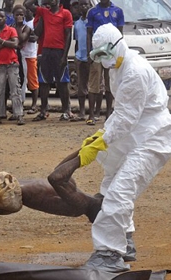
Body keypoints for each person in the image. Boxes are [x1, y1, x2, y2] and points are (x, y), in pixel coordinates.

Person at [77, 23, 171, 272]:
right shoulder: (116, 66)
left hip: (153, 136)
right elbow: (122, 112)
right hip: (136, 129)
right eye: (99, 57)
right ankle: (125, 239)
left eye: (105, 55)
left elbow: (127, 116)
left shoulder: (134, 71)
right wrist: (102, 135)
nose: (104, 61)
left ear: (119, 45)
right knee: (111, 179)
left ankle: (109, 253)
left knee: (121, 190)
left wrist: (101, 140)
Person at [24, 0, 73, 121]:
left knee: (62, 82)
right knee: (44, 82)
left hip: (59, 51)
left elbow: (68, 35)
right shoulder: (45, 12)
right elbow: (28, 5)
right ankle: (43, 110)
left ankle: (66, 110)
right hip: (46, 50)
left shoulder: (66, 13)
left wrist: (65, 55)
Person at [86, 0, 124, 124]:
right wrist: (89, 53)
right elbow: (89, 33)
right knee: (94, 83)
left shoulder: (118, 11)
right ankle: (91, 115)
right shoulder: (92, 12)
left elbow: (120, 34)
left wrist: (119, 52)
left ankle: (108, 114)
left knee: (110, 83)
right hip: (97, 52)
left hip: (112, 53)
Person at [0, 9, 25, 126]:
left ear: (5, 18)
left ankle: (19, 115)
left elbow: (15, 44)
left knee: (15, 90)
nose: (0, 19)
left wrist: (1, 41)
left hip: (12, 63)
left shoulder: (11, 29)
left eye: (2, 17)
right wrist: (7, 42)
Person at [70, 0, 89, 122]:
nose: (83, 7)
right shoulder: (77, 24)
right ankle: (82, 112)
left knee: (94, 86)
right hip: (80, 58)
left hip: (92, 58)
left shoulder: (92, 22)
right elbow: (77, 41)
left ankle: (94, 112)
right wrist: (77, 56)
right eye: (81, 5)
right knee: (81, 86)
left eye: (86, 4)